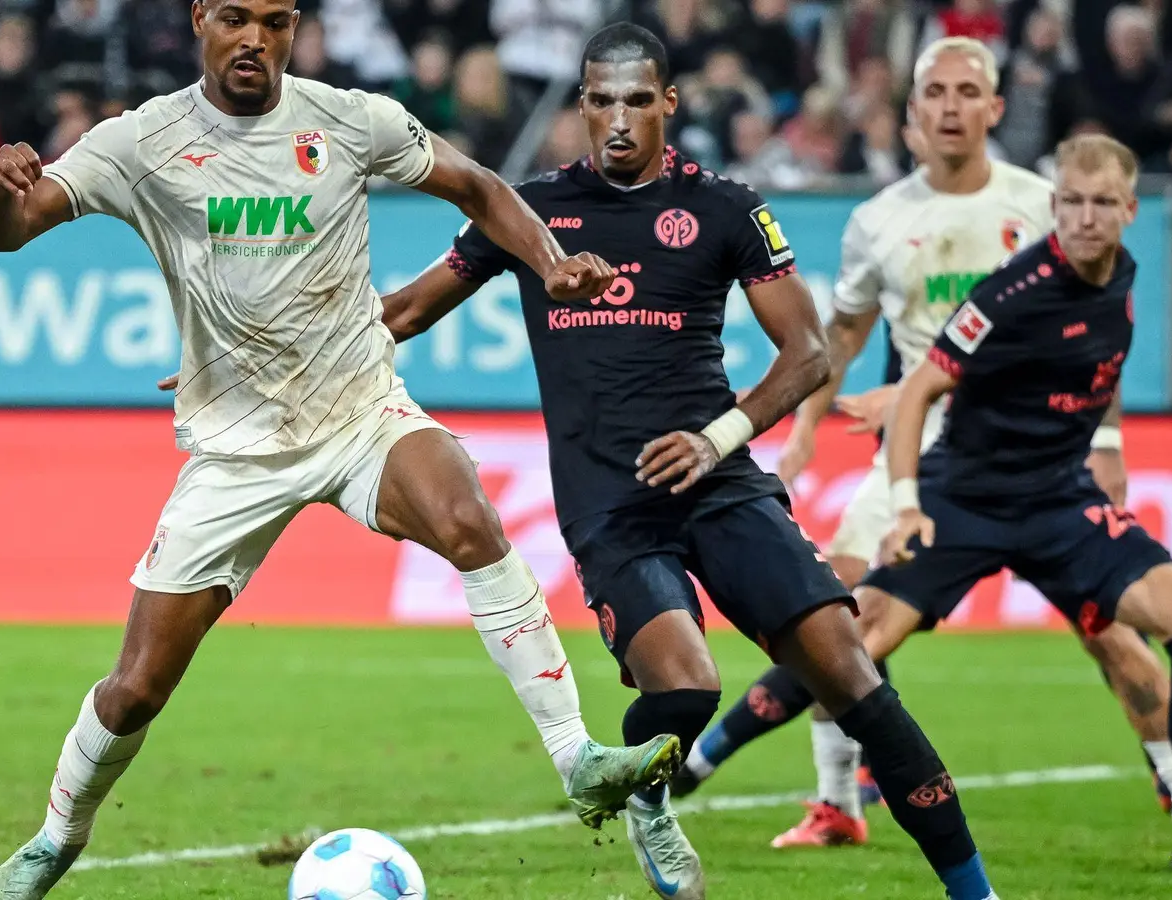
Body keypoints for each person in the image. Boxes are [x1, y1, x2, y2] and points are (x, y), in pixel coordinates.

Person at [0, 3, 681, 898]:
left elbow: (482, 189)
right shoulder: (142, 141)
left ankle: (577, 756)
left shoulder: (348, 118)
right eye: (234, 18)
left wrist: (549, 263)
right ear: (200, 19)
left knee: (469, 517)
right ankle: (55, 838)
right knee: (136, 690)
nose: (253, 40)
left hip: (358, 412)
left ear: (295, 24)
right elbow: (11, 229)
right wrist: (0, 187)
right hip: (234, 450)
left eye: (273, 21)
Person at [384, 22, 1004, 900]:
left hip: (720, 483)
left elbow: (809, 354)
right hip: (612, 508)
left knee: (855, 677)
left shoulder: (725, 206)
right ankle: (652, 805)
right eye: (602, 101)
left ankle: (975, 893)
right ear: (584, 106)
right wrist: (267, 354)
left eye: (639, 100)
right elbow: (405, 312)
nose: (620, 121)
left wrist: (717, 438)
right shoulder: (532, 213)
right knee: (686, 692)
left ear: (669, 104)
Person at [671, 37, 1172, 851]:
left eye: (966, 91)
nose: (950, 106)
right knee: (826, 610)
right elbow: (837, 336)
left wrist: (1107, 439)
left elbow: (1094, 334)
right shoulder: (879, 221)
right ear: (911, 115)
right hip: (918, 455)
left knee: (1107, 629)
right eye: (933, 92)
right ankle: (839, 803)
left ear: (994, 109)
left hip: (1034, 455)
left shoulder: (1044, 203)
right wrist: (803, 430)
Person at [873, 132, 1172, 877]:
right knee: (849, 647)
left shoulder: (1121, 275)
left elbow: (1096, 375)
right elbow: (918, 392)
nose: (1086, 217)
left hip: (1057, 500)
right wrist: (906, 503)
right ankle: (697, 763)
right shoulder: (1010, 293)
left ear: (1131, 211)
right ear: (1053, 207)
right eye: (1071, 202)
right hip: (968, 493)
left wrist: (1105, 448)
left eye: (1103, 203)